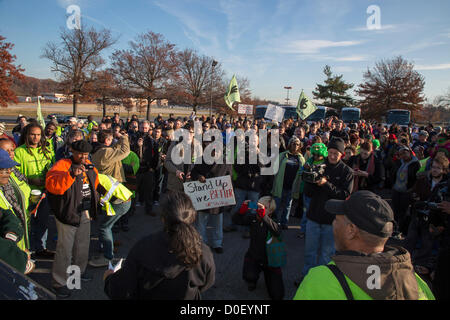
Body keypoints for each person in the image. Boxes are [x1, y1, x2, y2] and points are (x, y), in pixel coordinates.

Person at [293, 190, 435, 300]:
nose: (333, 224)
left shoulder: (320, 280)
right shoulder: (414, 280)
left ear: (351, 230)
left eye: (336, 219)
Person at [103, 191, 215, 300]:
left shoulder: (143, 248)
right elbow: (206, 283)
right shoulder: (202, 252)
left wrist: (108, 278)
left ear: (163, 218)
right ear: (193, 217)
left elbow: (121, 291)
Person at [46, 140, 100, 298]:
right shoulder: (62, 165)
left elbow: (95, 182)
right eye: (80, 154)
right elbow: (52, 185)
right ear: (72, 151)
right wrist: (70, 174)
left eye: (85, 154)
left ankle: (78, 273)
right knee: (65, 249)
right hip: (67, 213)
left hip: (84, 211)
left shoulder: (89, 164)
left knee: (82, 245)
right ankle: (59, 282)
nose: (83, 157)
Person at [300, 137, 354, 282]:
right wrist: (309, 180)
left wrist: (325, 184)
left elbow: (345, 195)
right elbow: (308, 193)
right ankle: (307, 279)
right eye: (330, 152)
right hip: (314, 216)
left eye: (335, 153)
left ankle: (320, 282)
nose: (332, 156)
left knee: (326, 255)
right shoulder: (319, 166)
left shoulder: (346, 172)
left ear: (341, 154)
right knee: (309, 253)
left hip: (332, 221)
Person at [14, 123, 55, 259]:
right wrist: (31, 180)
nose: (36, 137)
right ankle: (26, 249)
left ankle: (40, 248)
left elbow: (54, 168)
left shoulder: (47, 150)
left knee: (43, 222)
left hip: (44, 192)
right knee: (27, 222)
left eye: (38, 134)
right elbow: (14, 173)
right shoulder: (19, 151)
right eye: (32, 134)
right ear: (26, 135)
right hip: (26, 192)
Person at [233, 196, 284, 300]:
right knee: (249, 276)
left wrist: (264, 217)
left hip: (270, 259)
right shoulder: (253, 218)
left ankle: (268, 279)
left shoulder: (273, 219)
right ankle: (252, 279)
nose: (258, 209)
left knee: (277, 294)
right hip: (254, 255)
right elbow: (236, 221)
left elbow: (277, 231)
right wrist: (241, 211)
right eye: (257, 205)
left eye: (262, 207)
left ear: (270, 210)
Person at [88, 173, 132, 267]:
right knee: (105, 226)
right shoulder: (98, 176)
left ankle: (107, 257)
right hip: (124, 199)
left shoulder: (92, 180)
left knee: (104, 227)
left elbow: (95, 199)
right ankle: (105, 250)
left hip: (121, 203)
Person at [0, 140, 31, 252]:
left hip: (20, 230)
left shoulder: (15, 173)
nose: (8, 171)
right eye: (3, 169)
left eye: (12, 150)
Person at [271, 136, 305, 230]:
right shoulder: (282, 155)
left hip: (292, 186)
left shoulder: (301, 158)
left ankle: (284, 222)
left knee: (287, 206)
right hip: (281, 184)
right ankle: (274, 222)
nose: (295, 146)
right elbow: (274, 169)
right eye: (293, 143)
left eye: (297, 144)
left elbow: (302, 173)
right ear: (290, 144)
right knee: (277, 205)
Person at [391, 145, 420, 239]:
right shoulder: (399, 162)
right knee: (395, 210)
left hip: (407, 191)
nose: (404, 155)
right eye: (401, 154)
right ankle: (395, 229)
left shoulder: (415, 163)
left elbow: (416, 178)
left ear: (410, 152)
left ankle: (401, 231)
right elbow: (394, 173)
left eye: (405, 153)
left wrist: (412, 190)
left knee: (403, 212)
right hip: (397, 189)